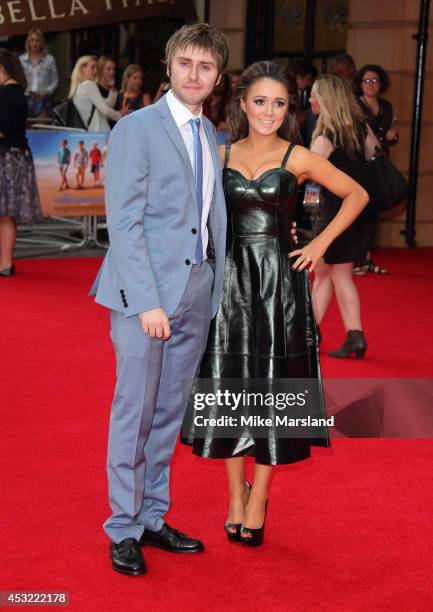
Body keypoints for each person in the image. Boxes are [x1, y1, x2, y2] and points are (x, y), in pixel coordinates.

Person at [183, 62, 369, 546]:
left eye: (279, 103)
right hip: (226, 282)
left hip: (278, 287)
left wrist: (319, 244)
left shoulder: (299, 155)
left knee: (271, 388)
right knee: (226, 386)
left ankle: (260, 496)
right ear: (242, 103)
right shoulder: (217, 151)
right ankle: (234, 496)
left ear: (290, 108)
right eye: (260, 101)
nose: (268, 111)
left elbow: (356, 194)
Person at [89, 23, 229, 576]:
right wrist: (146, 301)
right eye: (186, 64)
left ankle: (152, 516)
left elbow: (206, 217)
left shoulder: (210, 131)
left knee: (170, 413)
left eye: (207, 67)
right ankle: (121, 526)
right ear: (170, 67)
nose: (195, 75)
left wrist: (213, 284)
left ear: (218, 77)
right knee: (136, 412)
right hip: (141, 294)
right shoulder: (136, 128)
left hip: (195, 288)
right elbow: (122, 223)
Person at [308, 74, 378, 358]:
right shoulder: (360, 129)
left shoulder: (327, 136)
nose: (310, 99)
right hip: (360, 211)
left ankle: (326, 334)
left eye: (314, 94)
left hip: (338, 212)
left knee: (335, 273)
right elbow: (376, 153)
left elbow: (308, 170)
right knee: (328, 272)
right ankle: (326, 333)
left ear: (325, 99)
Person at [0, 49, 43, 276]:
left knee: (5, 212)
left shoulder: (9, 94)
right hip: (12, 157)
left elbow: (2, 130)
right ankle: (4, 261)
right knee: (5, 212)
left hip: (8, 158)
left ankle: (5, 262)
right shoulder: (13, 92)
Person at [353, 64, 399, 275]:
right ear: (360, 84)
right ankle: (355, 259)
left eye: (375, 80)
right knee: (359, 210)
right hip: (360, 164)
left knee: (373, 211)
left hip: (379, 164)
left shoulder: (387, 106)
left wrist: (393, 136)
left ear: (381, 84)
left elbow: (390, 134)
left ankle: (366, 258)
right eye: (367, 80)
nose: (371, 84)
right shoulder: (355, 106)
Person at [69, 56, 121, 132]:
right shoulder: (88, 84)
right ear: (83, 68)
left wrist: (112, 89)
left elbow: (107, 105)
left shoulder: (80, 87)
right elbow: (105, 110)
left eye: (96, 68)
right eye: (92, 67)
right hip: (98, 133)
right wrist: (122, 116)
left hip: (90, 133)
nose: (96, 71)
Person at [19, 28, 58, 119]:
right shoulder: (21, 59)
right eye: (32, 40)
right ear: (28, 42)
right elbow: (17, 79)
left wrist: (47, 91)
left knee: (41, 129)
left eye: (37, 40)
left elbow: (55, 81)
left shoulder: (49, 59)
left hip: (43, 99)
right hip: (25, 97)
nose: (34, 43)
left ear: (42, 43)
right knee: (25, 129)